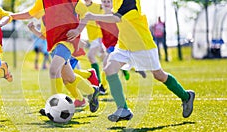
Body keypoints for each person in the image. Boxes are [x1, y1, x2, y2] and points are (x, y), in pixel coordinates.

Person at [67, 0, 195, 122]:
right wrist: (79, 29)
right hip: (124, 45)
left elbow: (117, 18)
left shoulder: (130, 1)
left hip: (142, 44)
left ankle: (186, 96)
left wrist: (92, 16)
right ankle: (123, 109)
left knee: (159, 75)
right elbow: (93, 14)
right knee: (109, 69)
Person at [10, 0, 100, 113]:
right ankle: (92, 91)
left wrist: (78, 30)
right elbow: (30, 16)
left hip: (68, 41)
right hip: (53, 46)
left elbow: (85, 15)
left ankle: (53, 106)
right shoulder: (43, 3)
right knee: (69, 78)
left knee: (53, 70)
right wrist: (11, 16)